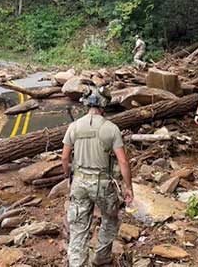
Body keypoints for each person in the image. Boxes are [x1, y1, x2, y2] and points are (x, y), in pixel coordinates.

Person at [62, 85, 133, 267]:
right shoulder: (111, 128)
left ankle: (77, 263)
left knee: (78, 227)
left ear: (86, 104)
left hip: (79, 182)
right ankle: (101, 257)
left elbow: (65, 157)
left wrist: (68, 178)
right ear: (104, 105)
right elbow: (123, 162)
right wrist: (128, 187)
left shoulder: (74, 126)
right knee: (110, 219)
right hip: (102, 183)